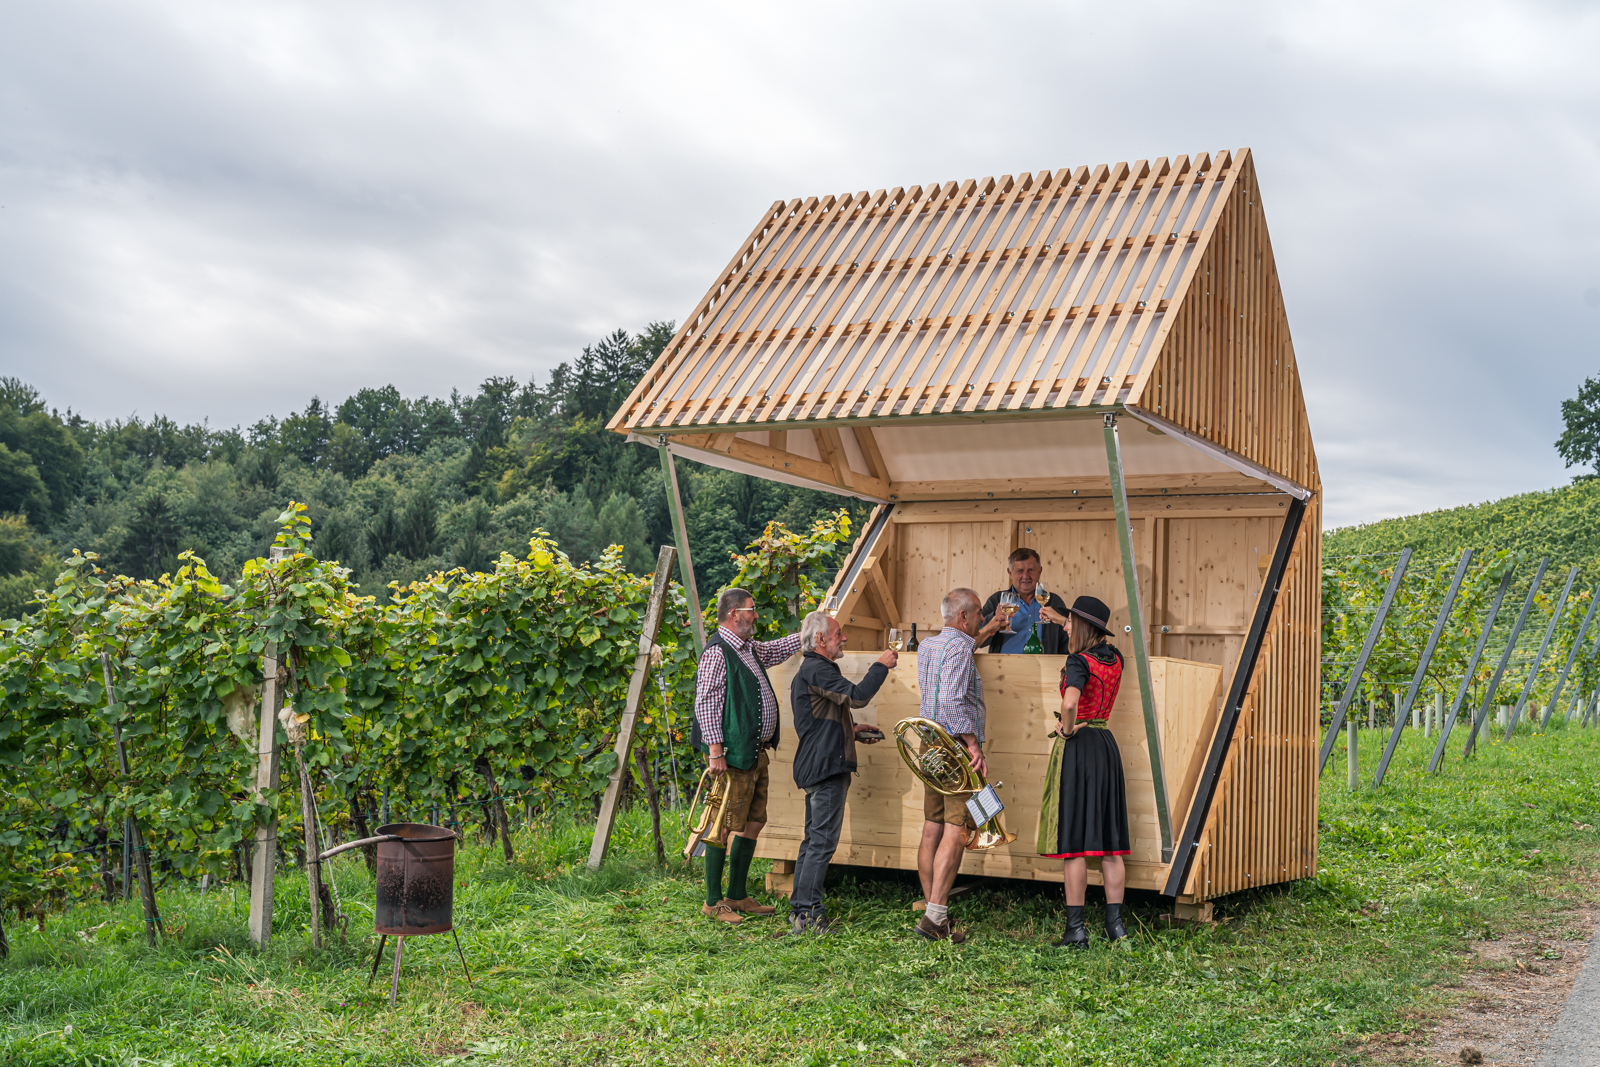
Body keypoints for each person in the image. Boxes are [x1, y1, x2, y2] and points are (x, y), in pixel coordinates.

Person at [692, 587, 802, 925]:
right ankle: (713, 901)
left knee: (753, 822)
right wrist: (715, 752)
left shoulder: (748, 648)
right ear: (734, 614)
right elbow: (706, 703)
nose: (756, 616)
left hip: (756, 752)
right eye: (751, 610)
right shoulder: (717, 653)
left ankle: (736, 895)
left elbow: (776, 649)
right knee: (721, 826)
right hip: (732, 756)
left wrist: (808, 633)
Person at [788, 611, 897, 934]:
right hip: (825, 768)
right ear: (820, 639)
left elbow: (822, 717)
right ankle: (808, 916)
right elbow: (858, 696)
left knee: (813, 842)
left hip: (819, 764)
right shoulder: (816, 669)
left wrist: (852, 730)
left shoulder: (813, 670)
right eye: (838, 634)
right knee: (821, 843)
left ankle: (801, 911)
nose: (843, 638)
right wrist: (881, 665)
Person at [1036, 595, 1130, 948]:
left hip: (1079, 748)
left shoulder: (1078, 661)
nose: (1066, 626)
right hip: (1106, 745)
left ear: (1084, 626)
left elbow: (1070, 703)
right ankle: (1115, 926)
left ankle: (1076, 930)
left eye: (1071, 621)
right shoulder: (1116, 657)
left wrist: (1068, 728)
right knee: (1110, 844)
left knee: (1074, 844)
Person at [912, 587, 987, 943]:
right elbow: (953, 701)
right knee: (956, 830)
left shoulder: (928, 645)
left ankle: (932, 909)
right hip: (954, 746)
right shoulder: (960, 647)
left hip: (928, 743)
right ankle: (935, 917)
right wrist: (972, 741)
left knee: (932, 825)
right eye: (979, 615)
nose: (982, 620)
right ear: (964, 617)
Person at [977, 548, 1072, 654]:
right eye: (1020, 571)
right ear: (1010, 572)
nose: (1025, 576)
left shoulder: (1054, 601)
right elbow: (978, 641)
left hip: (1044, 669)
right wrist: (994, 620)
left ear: (1039, 571)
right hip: (1003, 668)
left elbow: (1066, 644)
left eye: (1031, 570)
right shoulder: (997, 600)